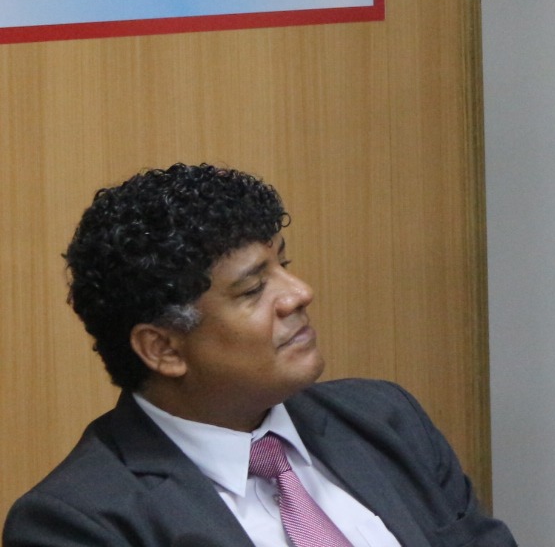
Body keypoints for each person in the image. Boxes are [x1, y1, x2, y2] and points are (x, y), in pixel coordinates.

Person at [4, 163, 516, 547]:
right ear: (163, 349)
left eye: (283, 265)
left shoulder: (384, 420)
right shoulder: (79, 522)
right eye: (252, 290)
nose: (299, 294)